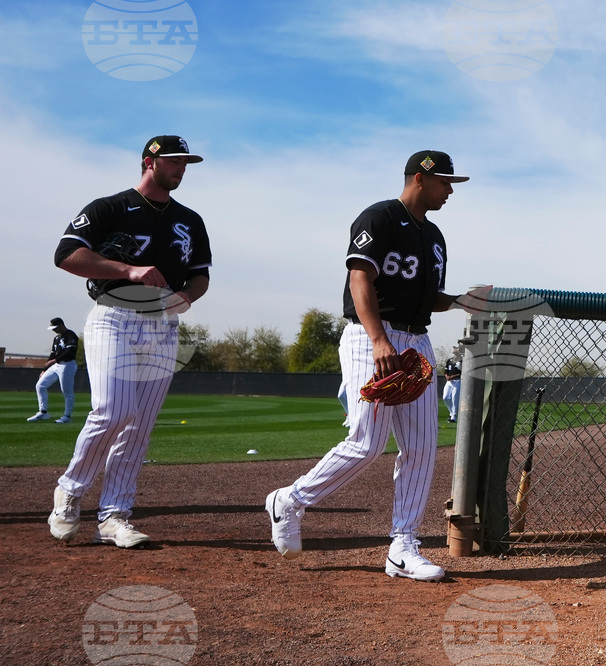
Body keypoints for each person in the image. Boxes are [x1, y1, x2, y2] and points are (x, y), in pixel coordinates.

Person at [266, 150, 489, 581]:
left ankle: (403, 546)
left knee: (421, 447)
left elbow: (428, 297)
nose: (450, 191)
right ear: (420, 179)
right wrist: (379, 340)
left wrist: (461, 300)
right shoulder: (379, 217)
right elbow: (359, 278)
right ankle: (290, 500)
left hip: (416, 340)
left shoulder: (434, 236)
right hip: (371, 335)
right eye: (445, 182)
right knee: (367, 442)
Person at [46, 135, 212, 549]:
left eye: (185, 162)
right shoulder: (110, 207)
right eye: (174, 161)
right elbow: (66, 254)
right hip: (114, 317)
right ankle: (69, 490)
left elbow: (200, 275)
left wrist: (187, 296)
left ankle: (114, 516)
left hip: (163, 325)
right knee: (113, 410)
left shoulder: (190, 220)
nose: (181, 168)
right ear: (149, 162)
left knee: (139, 426)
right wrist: (128, 270)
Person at [27, 318, 79, 424]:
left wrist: (55, 360)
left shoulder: (71, 335)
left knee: (67, 392)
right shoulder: (56, 338)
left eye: (55, 328)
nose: (54, 330)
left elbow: (70, 351)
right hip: (56, 365)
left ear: (61, 325)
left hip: (67, 365)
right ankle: (43, 412)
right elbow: (52, 354)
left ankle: (67, 416)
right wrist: (44, 369)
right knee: (40, 385)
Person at [442, 345, 462, 423]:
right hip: (449, 382)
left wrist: (454, 376)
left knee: (454, 399)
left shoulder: (462, 360)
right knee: (446, 397)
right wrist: (447, 376)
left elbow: (463, 373)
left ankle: (453, 417)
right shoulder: (449, 360)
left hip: (457, 381)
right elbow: (445, 371)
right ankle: (452, 413)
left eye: (456, 348)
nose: (454, 349)